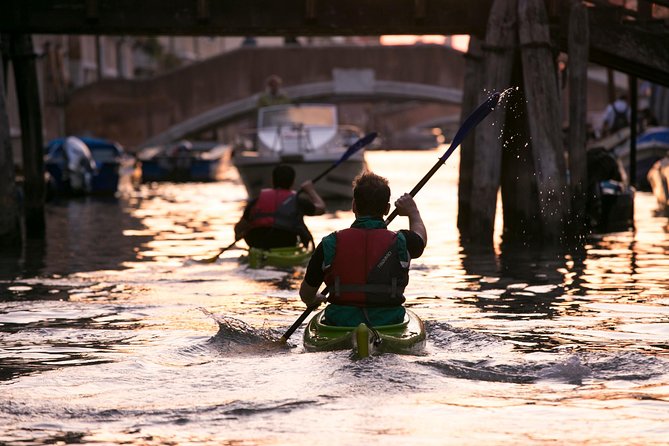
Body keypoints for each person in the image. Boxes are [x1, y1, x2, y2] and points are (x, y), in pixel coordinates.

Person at [299, 171, 427, 327]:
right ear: (386, 209)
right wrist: (412, 212)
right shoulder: (402, 240)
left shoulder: (330, 242)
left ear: (354, 206)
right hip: (389, 321)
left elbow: (306, 293)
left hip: (340, 321)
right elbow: (420, 239)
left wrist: (313, 300)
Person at [234, 164, 325, 250]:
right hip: (286, 241)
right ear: (292, 182)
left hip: (257, 241)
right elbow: (321, 209)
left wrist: (238, 236)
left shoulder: (256, 201)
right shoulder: (298, 201)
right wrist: (310, 190)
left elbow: (239, 228)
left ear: (272, 180)